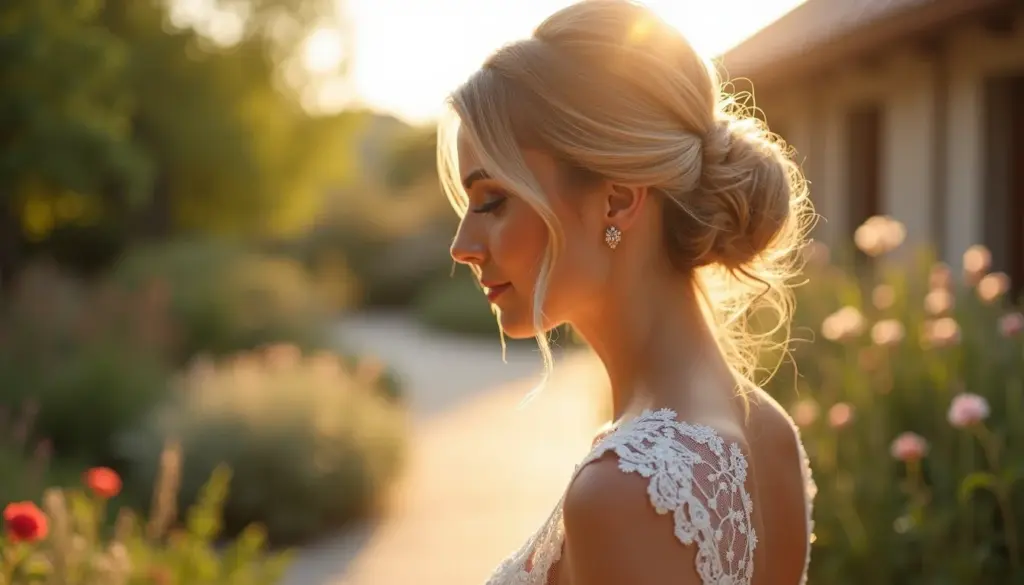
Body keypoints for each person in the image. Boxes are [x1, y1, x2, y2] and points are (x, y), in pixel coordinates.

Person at [438, 1, 817, 584]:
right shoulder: (769, 433)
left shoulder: (627, 492)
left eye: (492, 200)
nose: (462, 245)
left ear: (616, 201)